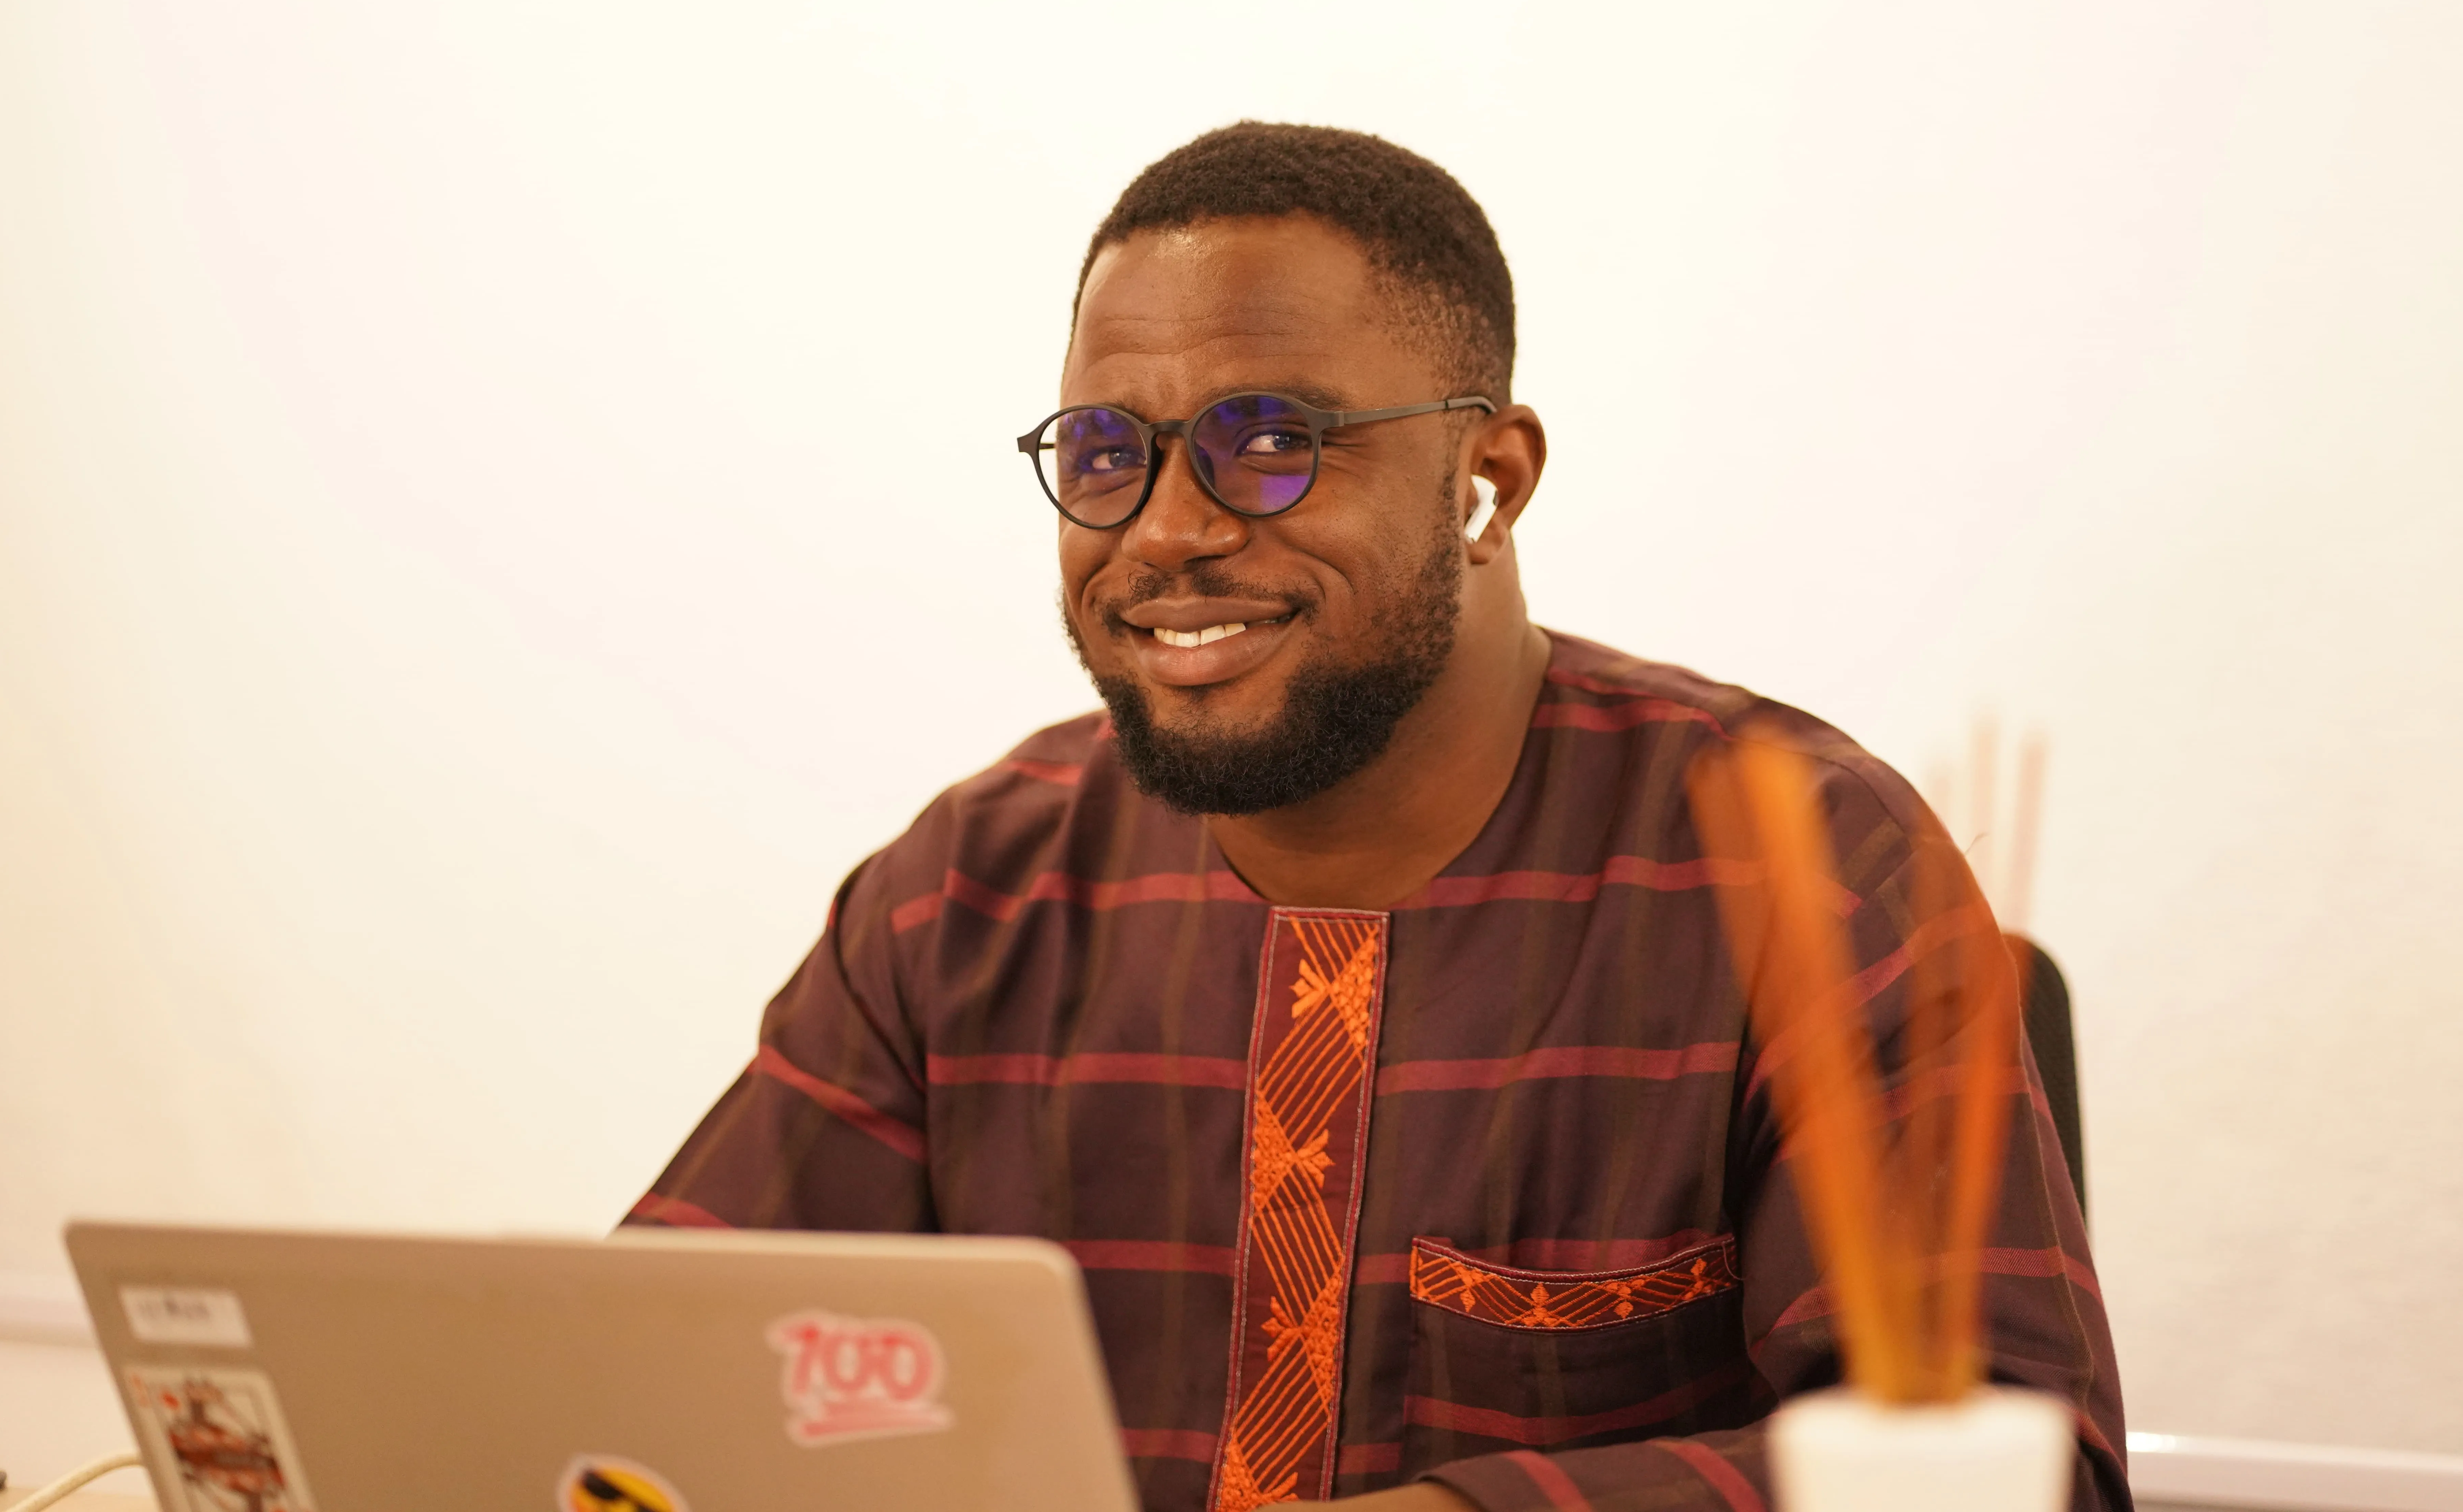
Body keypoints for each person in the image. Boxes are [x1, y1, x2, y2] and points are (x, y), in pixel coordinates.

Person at [631, 123, 2127, 1512]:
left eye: (1268, 441)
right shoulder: (964, 894)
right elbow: (641, 1391)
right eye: (1104, 454)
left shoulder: (1802, 868)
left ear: (1487, 479)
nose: (1164, 529)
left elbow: (2012, 1473)